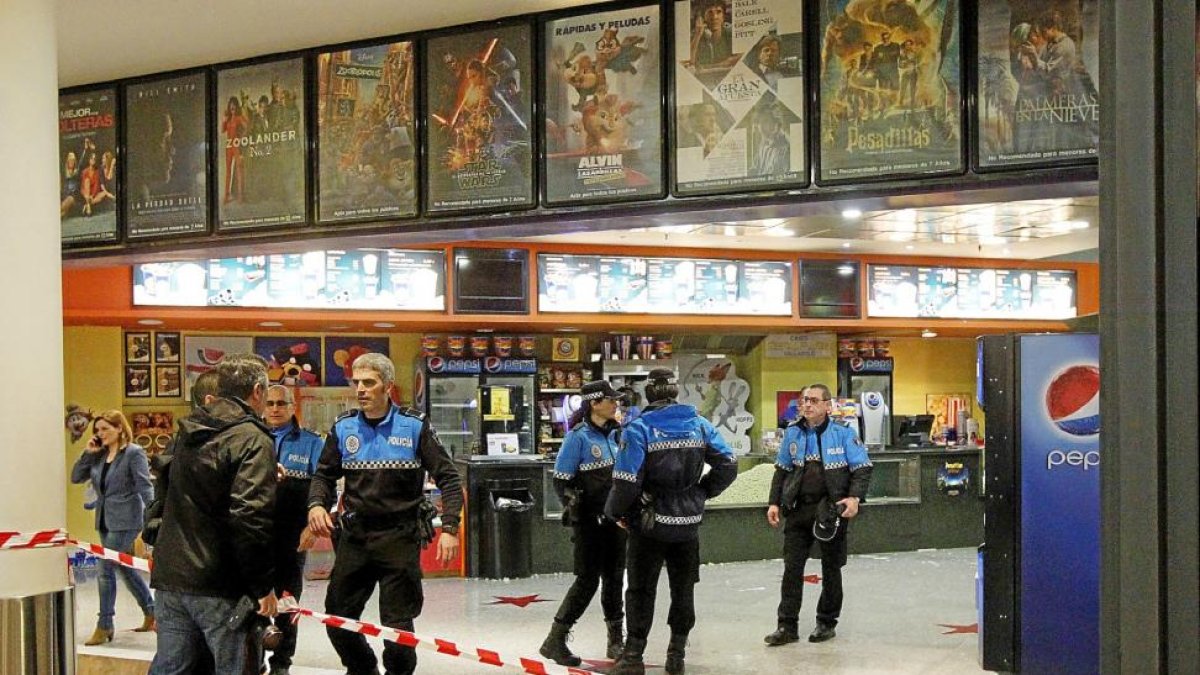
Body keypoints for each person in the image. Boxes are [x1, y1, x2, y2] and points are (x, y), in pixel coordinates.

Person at [307, 353, 463, 675]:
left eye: (369, 382)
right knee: (337, 616)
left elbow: (449, 478)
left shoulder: (414, 426)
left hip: (400, 538)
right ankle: (363, 668)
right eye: (357, 382)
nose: (360, 389)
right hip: (355, 538)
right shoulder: (344, 427)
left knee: (397, 628)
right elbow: (323, 474)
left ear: (388, 386)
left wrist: (450, 528)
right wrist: (317, 504)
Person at [148, 354, 279, 675]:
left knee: (172, 667)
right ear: (258, 392)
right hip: (221, 583)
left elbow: (165, 495)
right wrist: (262, 586)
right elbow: (250, 516)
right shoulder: (252, 439)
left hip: (172, 577)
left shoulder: (187, 431)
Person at [605, 368, 738, 675]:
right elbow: (728, 464)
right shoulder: (700, 425)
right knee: (683, 589)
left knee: (640, 589)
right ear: (676, 392)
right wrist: (702, 492)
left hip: (648, 524)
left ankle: (634, 657)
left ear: (648, 393)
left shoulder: (639, 428)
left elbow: (625, 481)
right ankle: (676, 655)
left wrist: (616, 513)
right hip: (688, 524)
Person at [763, 384, 873, 646]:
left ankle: (826, 622)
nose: (807, 405)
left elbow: (863, 468)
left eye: (813, 400)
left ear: (827, 405)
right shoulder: (793, 433)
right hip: (798, 509)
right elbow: (781, 471)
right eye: (804, 400)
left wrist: (854, 498)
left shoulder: (843, 434)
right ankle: (786, 626)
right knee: (792, 569)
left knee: (831, 568)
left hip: (831, 512)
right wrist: (774, 503)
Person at [539, 380, 627, 666]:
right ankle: (556, 638)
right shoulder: (577, 438)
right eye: (611, 400)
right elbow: (560, 480)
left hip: (616, 522)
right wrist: (577, 508)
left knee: (614, 579)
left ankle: (615, 641)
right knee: (587, 580)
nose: (616, 404)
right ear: (594, 403)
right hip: (590, 524)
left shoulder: (616, 435)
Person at [71, 410, 156, 645]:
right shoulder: (98, 455)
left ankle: (105, 624)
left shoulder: (133, 453)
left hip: (127, 519)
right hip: (105, 518)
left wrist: (154, 514)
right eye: (97, 430)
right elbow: (76, 477)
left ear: (120, 428)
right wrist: (88, 453)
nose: (100, 434)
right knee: (123, 567)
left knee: (104, 568)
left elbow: (144, 485)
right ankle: (151, 611)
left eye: (105, 429)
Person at [260, 384, 324, 675]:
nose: (274, 408)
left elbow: (323, 489)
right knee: (253, 600)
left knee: (288, 602)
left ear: (292, 406)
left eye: (280, 403)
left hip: (292, 538)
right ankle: (254, 658)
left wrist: (312, 527)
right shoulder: (251, 437)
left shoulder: (311, 442)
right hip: (254, 537)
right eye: (269, 403)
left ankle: (281, 664)